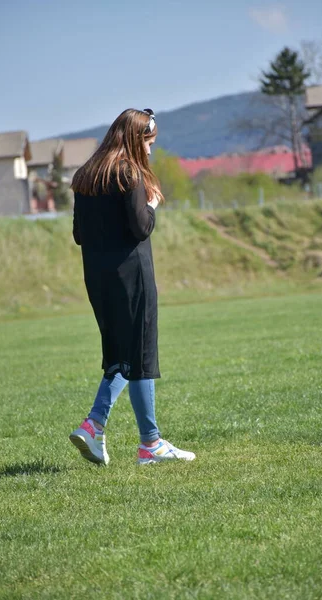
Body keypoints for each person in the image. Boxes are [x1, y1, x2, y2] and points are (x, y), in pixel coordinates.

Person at [69, 108, 195, 466]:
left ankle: (100, 428)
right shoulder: (130, 173)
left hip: (97, 279)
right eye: (150, 144)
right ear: (137, 139)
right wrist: (152, 203)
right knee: (139, 355)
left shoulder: (85, 175)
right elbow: (141, 228)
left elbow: (79, 235)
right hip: (133, 278)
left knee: (121, 356)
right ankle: (147, 444)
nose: (151, 152)